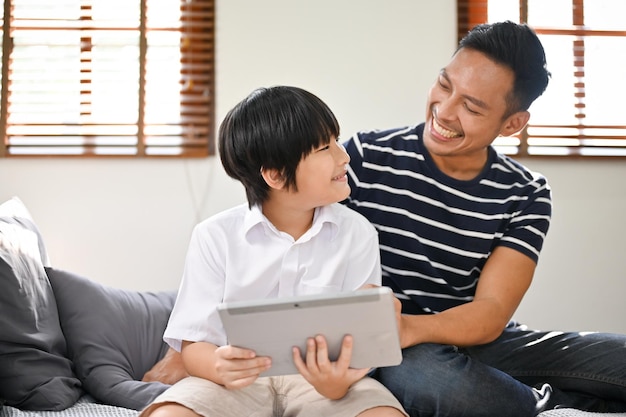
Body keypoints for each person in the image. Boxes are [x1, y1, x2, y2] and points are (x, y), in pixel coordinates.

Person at [342, 21, 626, 417]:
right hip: (396, 351)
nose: (444, 110)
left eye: (472, 107)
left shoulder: (526, 191)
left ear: (512, 124)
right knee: (435, 383)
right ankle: (553, 407)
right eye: (444, 85)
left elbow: (492, 310)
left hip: (479, 339)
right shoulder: (361, 159)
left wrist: (409, 326)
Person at [140, 86, 407, 417]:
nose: (344, 156)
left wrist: (335, 384)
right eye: (325, 147)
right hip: (233, 384)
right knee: (169, 414)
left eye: (337, 140)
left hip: (323, 387)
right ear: (277, 175)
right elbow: (194, 344)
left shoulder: (358, 233)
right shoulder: (214, 236)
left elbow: (361, 348)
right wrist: (217, 366)